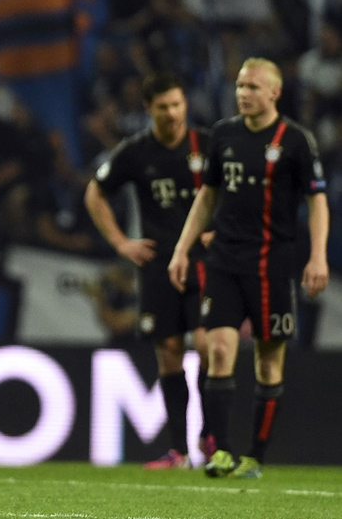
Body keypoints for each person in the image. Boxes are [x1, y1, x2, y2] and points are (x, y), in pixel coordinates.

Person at [168, 58, 329, 479]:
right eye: (240, 86)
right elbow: (207, 196)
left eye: (253, 87)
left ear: (275, 92)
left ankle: (255, 456)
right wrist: (182, 248)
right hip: (224, 260)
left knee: (268, 362)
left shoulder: (295, 141)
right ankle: (220, 450)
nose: (243, 93)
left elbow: (317, 201)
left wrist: (318, 255)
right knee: (217, 350)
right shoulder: (223, 135)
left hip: (272, 264)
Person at [84, 72, 213, 469]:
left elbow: (239, 191)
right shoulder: (136, 152)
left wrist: (222, 229)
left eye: (176, 105)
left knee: (209, 346)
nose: (171, 113)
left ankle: (211, 438)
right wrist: (121, 242)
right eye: (163, 107)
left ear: (185, 104)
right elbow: (95, 192)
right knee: (170, 353)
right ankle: (179, 451)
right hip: (158, 264)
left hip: (203, 262)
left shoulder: (208, 146)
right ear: (148, 109)